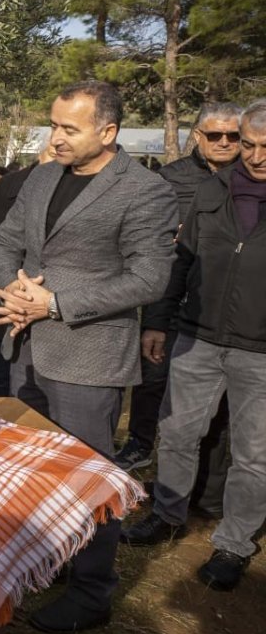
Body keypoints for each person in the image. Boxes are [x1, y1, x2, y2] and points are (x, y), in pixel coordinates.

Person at [0, 81, 177, 633]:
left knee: (90, 479)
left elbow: (149, 277)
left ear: (108, 132)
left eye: (70, 128)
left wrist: (56, 304)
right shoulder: (43, 176)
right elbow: (4, 243)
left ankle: (93, 590)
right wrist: (14, 294)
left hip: (88, 359)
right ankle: (50, 561)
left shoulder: (145, 191)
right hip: (23, 346)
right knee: (33, 467)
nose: (56, 137)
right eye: (54, 124)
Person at [120, 101, 266, 592]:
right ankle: (167, 514)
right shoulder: (211, 189)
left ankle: (234, 544)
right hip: (197, 337)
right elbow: (180, 262)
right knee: (178, 432)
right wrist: (158, 323)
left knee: (253, 454)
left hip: (260, 352)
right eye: (248, 144)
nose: (254, 155)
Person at [113, 102, 242, 492]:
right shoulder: (171, 177)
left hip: (224, 304)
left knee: (216, 397)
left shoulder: (252, 180)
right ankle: (140, 443)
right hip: (167, 292)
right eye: (214, 135)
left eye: (232, 136)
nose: (223, 142)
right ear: (197, 136)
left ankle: (208, 473)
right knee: (153, 376)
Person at [0, 144, 56, 396]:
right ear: (41, 154)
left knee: (30, 391)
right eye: (51, 153)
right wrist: (2, 259)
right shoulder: (11, 185)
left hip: (43, 303)